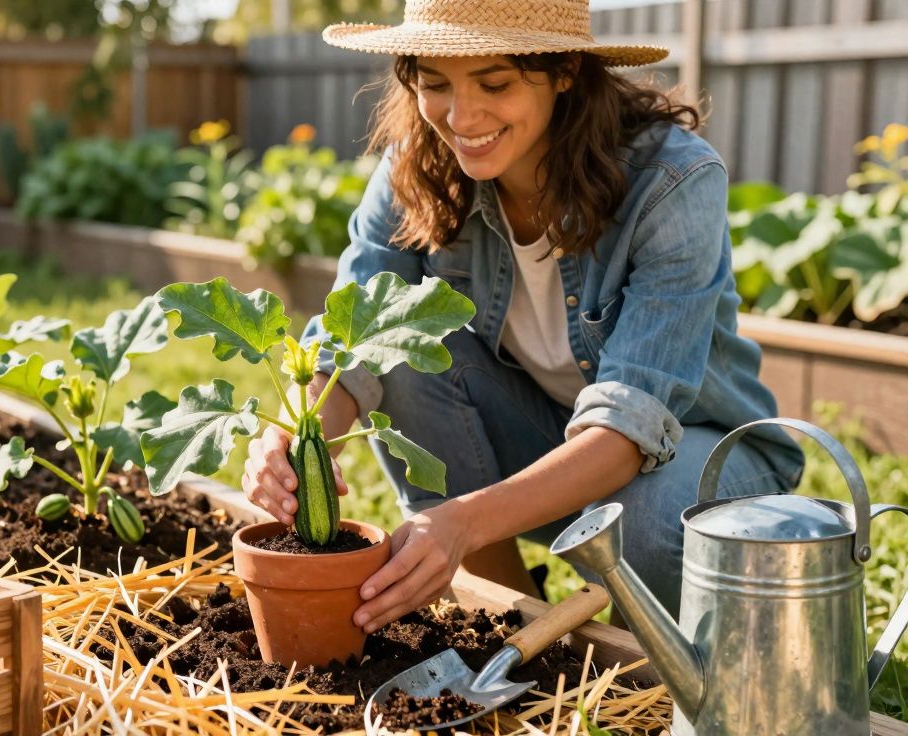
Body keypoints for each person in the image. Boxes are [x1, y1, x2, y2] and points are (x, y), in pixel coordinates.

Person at [240, 0, 806, 634]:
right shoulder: (415, 170)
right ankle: (512, 627)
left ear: (564, 71)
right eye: (435, 83)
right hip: (545, 437)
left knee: (643, 518)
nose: (461, 117)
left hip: (699, 459)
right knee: (402, 347)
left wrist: (463, 519)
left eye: (495, 84)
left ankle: (639, 669)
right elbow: (353, 340)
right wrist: (297, 440)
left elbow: (630, 429)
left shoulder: (672, 181)